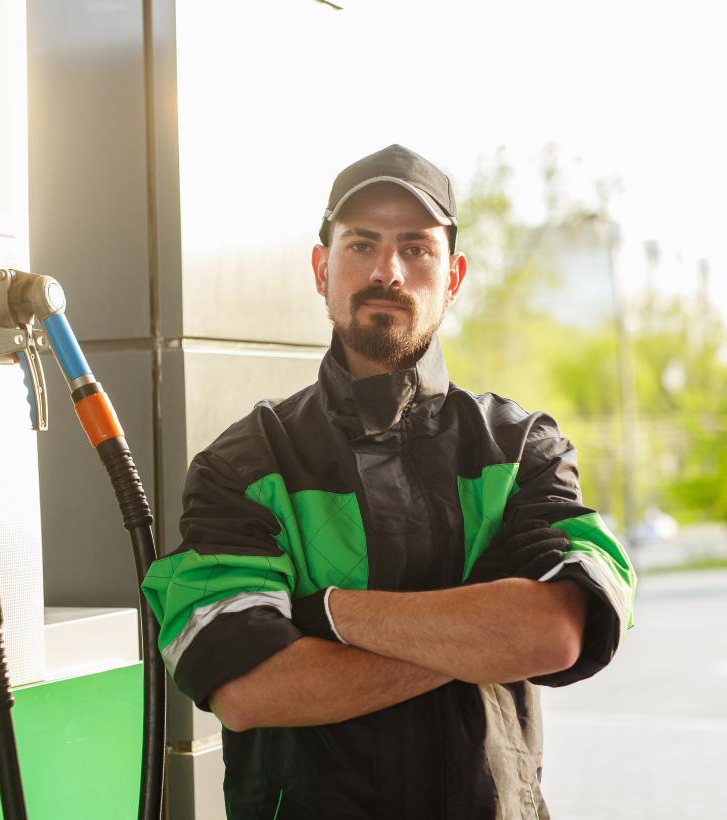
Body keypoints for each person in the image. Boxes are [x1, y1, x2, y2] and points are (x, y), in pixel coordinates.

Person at [142, 145, 636, 819]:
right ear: (323, 269)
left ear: (454, 276)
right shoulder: (246, 466)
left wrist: (327, 613)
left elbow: (553, 635)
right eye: (362, 245)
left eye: (416, 249)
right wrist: (480, 635)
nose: (387, 271)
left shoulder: (521, 449)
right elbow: (251, 688)